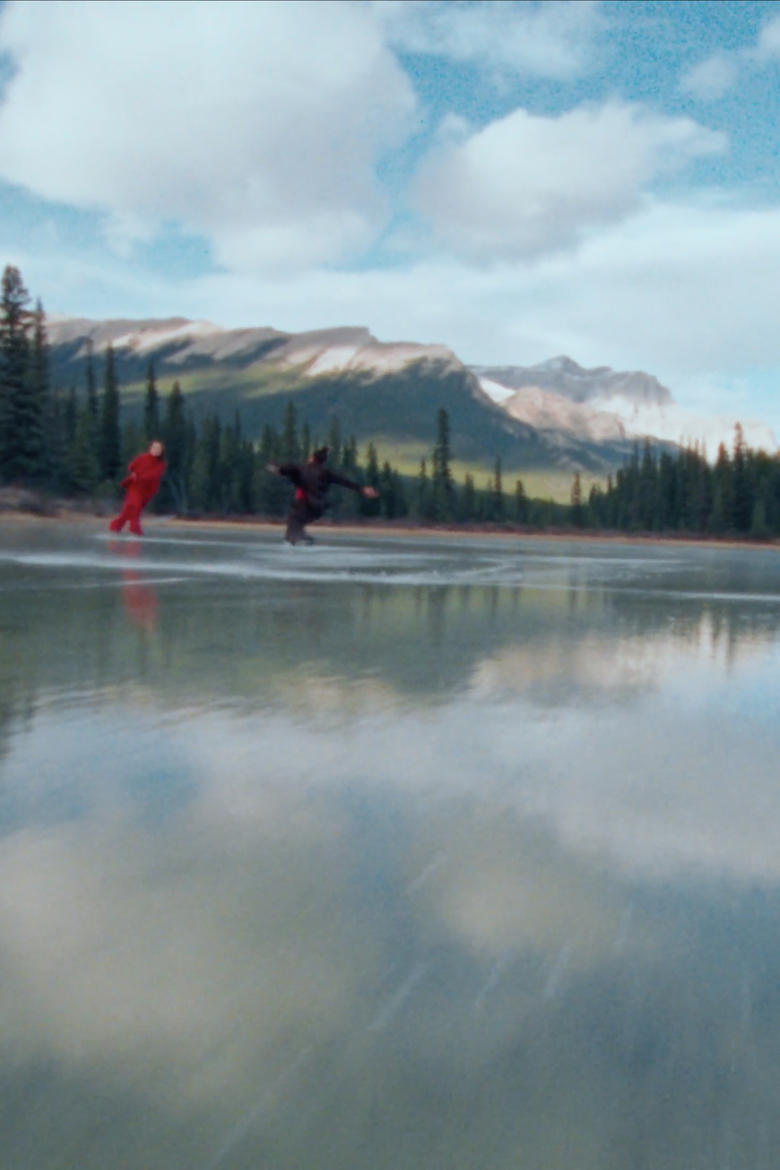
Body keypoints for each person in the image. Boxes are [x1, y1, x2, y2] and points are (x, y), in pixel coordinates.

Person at [268, 446, 378, 544]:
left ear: (312, 458)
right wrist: (362, 489)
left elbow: (285, 469)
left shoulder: (300, 468)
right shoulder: (326, 473)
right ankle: (303, 538)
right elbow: (343, 481)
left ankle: (295, 543)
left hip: (304, 505)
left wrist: (276, 467)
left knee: (293, 524)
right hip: (318, 508)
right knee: (297, 523)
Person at [109, 439, 166, 536]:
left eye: (158, 448)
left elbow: (153, 476)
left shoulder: (161, 465)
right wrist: (133, 473)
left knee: (128, 511)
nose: (156, 450)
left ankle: (115, 528)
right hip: (135, 487)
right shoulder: (142, 457)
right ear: (150, 448)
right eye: (154, 447)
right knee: (135, 507)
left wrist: (138, 476)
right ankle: (135, 531)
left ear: (161, 451)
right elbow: (132, 466)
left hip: (147, 491)